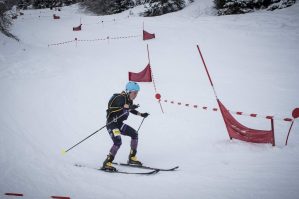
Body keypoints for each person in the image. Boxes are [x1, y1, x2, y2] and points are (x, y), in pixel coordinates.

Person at [102, 81, 149, 171]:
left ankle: (132, 158)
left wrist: (141, 114)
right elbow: (113, 108)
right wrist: (127, 107)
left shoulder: (128, 100)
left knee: (134, 134)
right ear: (128, 91)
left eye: (137, 93)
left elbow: (130, 109)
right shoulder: (120, 98)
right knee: (118, 141)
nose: (136, 95)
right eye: (135, 93)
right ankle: (107, 162)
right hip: (112, 123)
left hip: (119, 124)